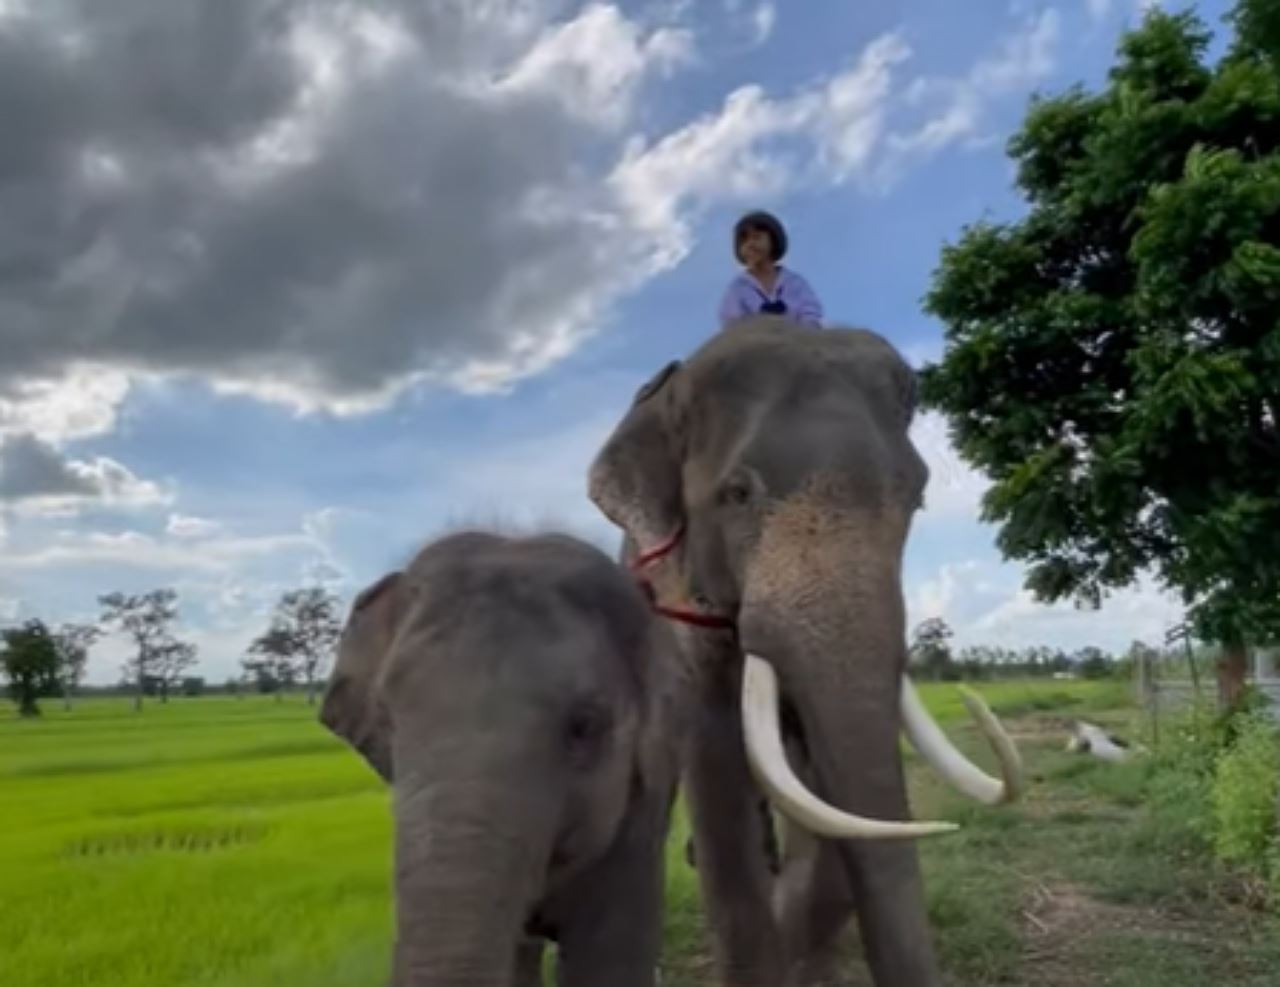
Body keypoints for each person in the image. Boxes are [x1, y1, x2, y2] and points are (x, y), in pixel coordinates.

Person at [717, 209, 824, 329]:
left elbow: (810, 310)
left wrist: (805, 332)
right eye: (744, 241)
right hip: (756, 344)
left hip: (797, 340)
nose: (750, 244)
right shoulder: (737, 288)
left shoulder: (794, 282)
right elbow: (731, 323)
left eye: (756, 237)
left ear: (773, 241)